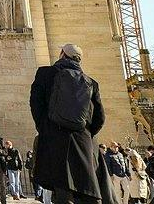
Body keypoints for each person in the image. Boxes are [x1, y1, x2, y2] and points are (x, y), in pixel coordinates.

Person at [30, 43, 105, 204]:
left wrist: (44, 128)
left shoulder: (45, 74)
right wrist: (86, 134)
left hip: (54, 138)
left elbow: (35, 104)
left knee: (62, 192)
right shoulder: (91, 82)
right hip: (82, 141)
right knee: (87, 191)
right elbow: (100, 118)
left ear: (62, 54)